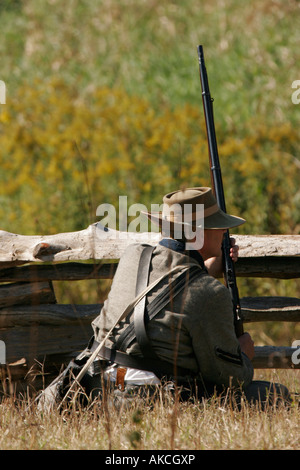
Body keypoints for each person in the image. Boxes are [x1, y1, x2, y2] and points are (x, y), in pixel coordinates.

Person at [38, 187, 291, 410]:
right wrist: (244, 357)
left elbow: (171, 284)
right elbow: (228, 379)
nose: (224, 230)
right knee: (275, 395)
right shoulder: (209, 294)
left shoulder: (133, 256)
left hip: (95, 386)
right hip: (145, 402)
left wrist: (209, 266)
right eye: (216, 225)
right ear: (198, 234)